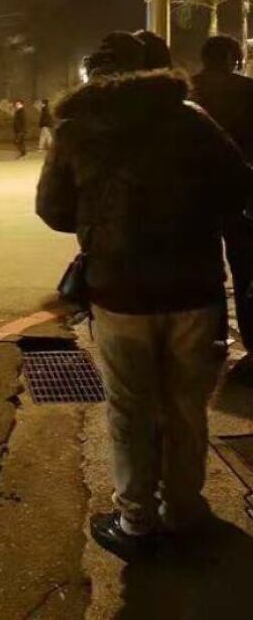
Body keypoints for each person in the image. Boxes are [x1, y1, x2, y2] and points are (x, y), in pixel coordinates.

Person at [36, 30, 253, 559]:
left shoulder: (76, 130)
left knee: (130, 408)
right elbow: (240, 188)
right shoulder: (191, 120)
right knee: (185, 406)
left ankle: (136, 520)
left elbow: (53, 209)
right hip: (194, 289)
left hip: (119, 292)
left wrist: (99, 220)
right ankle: (182, 511)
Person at [192, 35, 253, 355]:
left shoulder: (188, 91)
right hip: (240, 193)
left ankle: (213, 335)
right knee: (245, 269)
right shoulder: (247, 90)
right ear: (234, 58)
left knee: (205, 265)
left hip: (196, 196)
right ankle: (250, 333)